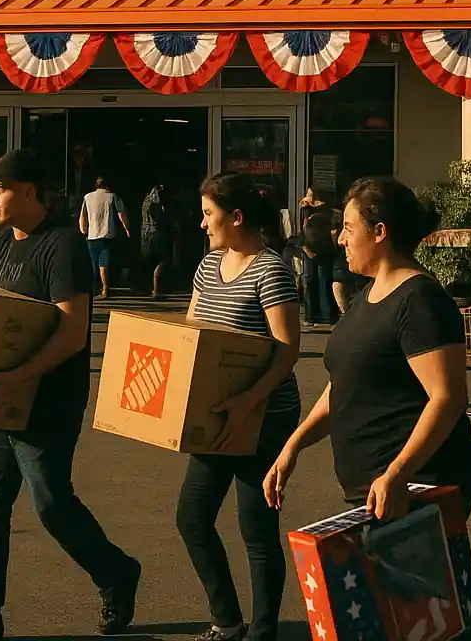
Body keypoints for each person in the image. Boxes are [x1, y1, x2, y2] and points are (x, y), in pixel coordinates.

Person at [0, 149, 141, 641]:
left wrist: (21, 375)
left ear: (29, 192)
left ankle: (116, 573)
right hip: (1, 397)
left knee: (51, 504)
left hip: (49, 400)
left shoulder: (63, 245)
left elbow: (72, 331)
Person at [264, 176, 471, 524]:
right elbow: (345, 383)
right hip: (375, 489)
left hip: (417, 486)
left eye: (349, 228)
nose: (340, 239)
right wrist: (294, 445)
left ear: (380, 232)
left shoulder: (420, 300)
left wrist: (397, 473)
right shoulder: (367, 295)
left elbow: (448, 398)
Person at [177, 173, 301, 641]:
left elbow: (286, 352)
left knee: (256, 526)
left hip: (265, 415)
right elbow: (193, 331)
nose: (202, 223)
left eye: (208, 214)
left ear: (236, 217)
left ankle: (263, 632)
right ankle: (227, 621)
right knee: (192, 518)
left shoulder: (271, 271)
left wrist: (248, 403)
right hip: (217, 412)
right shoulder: (209, 264)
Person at [79, 176, 131, 300]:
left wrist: (83, 230)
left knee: (93, 264)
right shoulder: (112, 197)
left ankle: (92, 289)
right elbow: (121, 214)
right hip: (107, 235)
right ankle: (105, 288)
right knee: (104, 263)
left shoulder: (87, 197)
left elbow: (82, 216)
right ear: (107, 186)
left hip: (92, 235)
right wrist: (127, 229)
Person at [141, 184, 173, 298]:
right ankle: (157, 290)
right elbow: (158, 219)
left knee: (150, 261)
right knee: (163, 259)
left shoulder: (146, 202)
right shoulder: (156, 204)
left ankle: (150, 288)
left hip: (145, 233)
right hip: (156, 233)